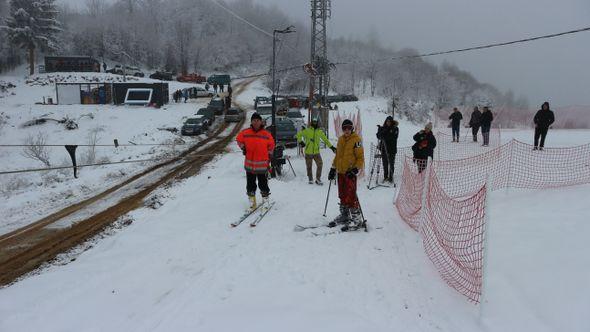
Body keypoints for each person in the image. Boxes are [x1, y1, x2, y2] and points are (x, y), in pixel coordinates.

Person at [327, 119, 365, 230]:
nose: (347, 130)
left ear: (352, 128)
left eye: (349, 128)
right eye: (344, 128)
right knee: (342, 195)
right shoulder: (340, 140)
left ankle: (357, 219)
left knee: (351, 196)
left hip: (350, 173)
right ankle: (345, 215)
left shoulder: (356, 140)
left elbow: (360, 158)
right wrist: (333, 168)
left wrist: (355, 170)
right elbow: (338, 156)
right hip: (341, 172)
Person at [236, 113, 275, 210]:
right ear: (251, 122)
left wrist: (269, 154)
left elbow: (271, 145)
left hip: (262, 165)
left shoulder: (266, 134)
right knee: (250, 184)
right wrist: (243, 147)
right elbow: (238, 139)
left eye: (258, 120)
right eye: (254, 120)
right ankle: (252, 202)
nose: (256, 122)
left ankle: (265, 202)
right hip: (249, 165)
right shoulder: (246, 132)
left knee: (263, 184)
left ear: (261, 121)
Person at [296, 118, 336, 185]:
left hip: (316, 152)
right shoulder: (307, 131)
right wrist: (301, 142)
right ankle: (310, 179)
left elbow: (325, 140)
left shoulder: (319, 132)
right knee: (309, 166)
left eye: (316, 122)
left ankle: (318, 179)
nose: (314, 123)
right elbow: (298, 135)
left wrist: (331, 147)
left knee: (320, 164)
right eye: (313, 122)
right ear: (311, 123)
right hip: (308, 152)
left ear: (317, 123)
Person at [376, 116, 399, 182]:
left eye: (389, 121)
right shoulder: (384, 128)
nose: (388, 122)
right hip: (383, 149)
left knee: (391, 164)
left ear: (391, 122)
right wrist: (379, 130)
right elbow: (378, 136)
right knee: (385, 163)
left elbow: (392, 137)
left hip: (392, 149)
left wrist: (384, 134)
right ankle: (385, 177)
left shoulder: (395, 128)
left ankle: (391, 178)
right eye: (387, 121)